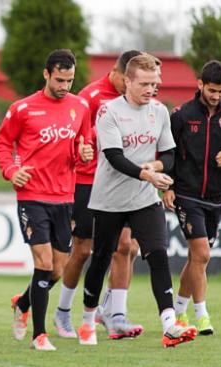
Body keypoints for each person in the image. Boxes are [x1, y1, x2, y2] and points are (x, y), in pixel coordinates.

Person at [77, 54, 197, 348]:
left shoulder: (159, 111)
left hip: (144, 198)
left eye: (155, 83)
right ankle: (87, 319)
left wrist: (154, 169)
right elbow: (115, 157)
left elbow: (168, 156)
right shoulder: (108, 112)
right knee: (101, 259)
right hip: (109, 200)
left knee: (158, 253)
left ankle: (170, 324)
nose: (150, 89)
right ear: (127, 81)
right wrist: (148, 175)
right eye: (144, 83)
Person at [0, 49, 93, 351]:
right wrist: (11, 170)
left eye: (70, 80)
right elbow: (1, 143)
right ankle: (40, 335)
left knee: (58, 270)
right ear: (46, 74)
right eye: (60, 80)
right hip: (32, 196)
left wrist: (84, 152)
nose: (65, 86)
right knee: (44, 262)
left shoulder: (80, 106)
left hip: (65, 196)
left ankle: (22, 302)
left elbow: (83, 142)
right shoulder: (23, 109)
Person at [54, 50, 144, 339]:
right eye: (126, 79)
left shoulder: (137, 99)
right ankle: (63, 313)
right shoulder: (91, 96)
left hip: (122, 181)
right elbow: (71, 134)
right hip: (88, 180)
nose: (129, 85)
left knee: (127, 247)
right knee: (81, 250)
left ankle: (115, 315)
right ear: (116, 72)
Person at [163, 60, 221, 335]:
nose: (216, 96)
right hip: (187, 196)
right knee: (202, 253)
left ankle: (179, 311)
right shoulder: (181, 115)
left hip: (215, 197)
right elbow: (168, 153)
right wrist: (168, 187)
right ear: (200, 84)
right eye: (212, 90)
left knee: (197, 258)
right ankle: (202, 315)